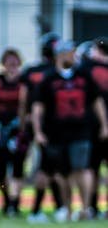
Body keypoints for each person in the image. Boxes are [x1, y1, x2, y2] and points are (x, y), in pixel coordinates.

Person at [32, 39, 108, 221]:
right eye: (69, 52)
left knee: (82, 169)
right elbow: (37, 107)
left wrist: (104, 125)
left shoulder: (83, 75)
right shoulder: (49, 78)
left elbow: (97, 101)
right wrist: (38, 131)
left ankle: (85, 208)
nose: (73, 56)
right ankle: (66, 208)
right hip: (56, 133)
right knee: (62, 173)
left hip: (81, 131)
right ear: (60, 55)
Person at [21, 32, 67, 222]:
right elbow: (29, 101)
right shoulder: (51, 73)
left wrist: (24, 121)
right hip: (48, 126)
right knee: (48, 169)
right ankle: (40, 210)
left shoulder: (33, 70)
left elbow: (24, 101)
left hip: (42, 125)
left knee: (51, 168)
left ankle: (57, 207)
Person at [0, 48, 28, 216]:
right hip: (0, 129)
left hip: (18, 130)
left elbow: (27, 105)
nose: (12, 66)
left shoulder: (24, 81)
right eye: (9, 62)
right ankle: (6, 199)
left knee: (18, 166)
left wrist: (22, 125)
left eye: (15, 62)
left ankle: (15, 203)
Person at [82, 38, 108, 214]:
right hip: (97, 125)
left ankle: (92, 206)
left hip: (91, 126)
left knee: (92, 168)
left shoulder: (86, 69)